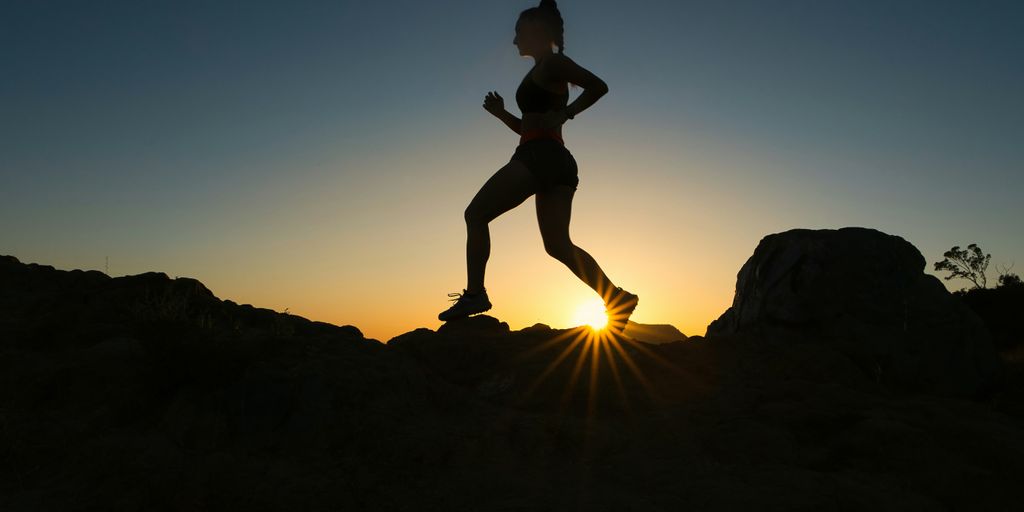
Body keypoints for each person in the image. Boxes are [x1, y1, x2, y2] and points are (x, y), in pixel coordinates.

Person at [439, 0, 638, 333]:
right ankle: (616, 298)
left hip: (540, 156)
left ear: (536, 30)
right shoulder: (542, 69)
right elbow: (528, 127)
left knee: (475, 214)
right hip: (555, 160)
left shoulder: (553, 63)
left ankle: (475, 295)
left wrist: (567, 113)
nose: (515, 40)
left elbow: (598, 86)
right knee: (557, 245)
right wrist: (502, 114)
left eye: (518, 32)